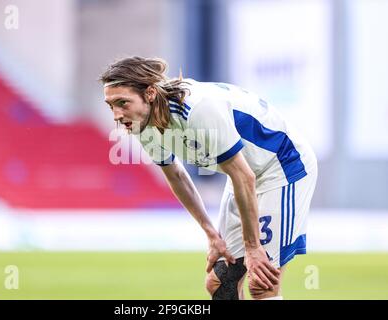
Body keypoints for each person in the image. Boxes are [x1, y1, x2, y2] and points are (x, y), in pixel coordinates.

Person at [100, 56, 317, 300]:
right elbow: (177, 176)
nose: (117, 115)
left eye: (123, 103)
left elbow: (243, 176)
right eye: (111, 106)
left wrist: (253, 246)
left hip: (282, 167)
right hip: (244, 175)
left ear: (149, 93)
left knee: (262, 284)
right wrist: (211, 234)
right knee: (219, 284)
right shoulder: (141, 123)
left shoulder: (197, 109)